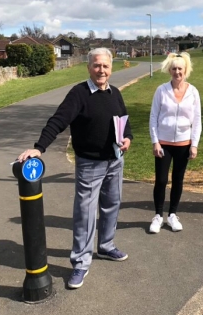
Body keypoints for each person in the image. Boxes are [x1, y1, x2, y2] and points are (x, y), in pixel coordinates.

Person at [17, 47, 133, 289]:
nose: (101, 70)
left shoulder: (115, 93)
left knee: (112, 205)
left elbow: (124, 119)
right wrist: (39, 147)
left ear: (111, 68)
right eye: (97, 65)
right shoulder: (79, 94)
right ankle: (81, 262)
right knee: (85, 214)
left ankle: (106, 246)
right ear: (89, 67)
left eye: (105, 66)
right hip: (90, 164)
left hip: (115, 160)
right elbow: (59, 119)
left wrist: (128, 138)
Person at [149, 52, 202, 233]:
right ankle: (158, 216)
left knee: (178, 180)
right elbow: (154, 117)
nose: (177, 72)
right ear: (169, 70)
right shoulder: (161, 90)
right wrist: (155, 142)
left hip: (183, 143)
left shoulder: (193, 92)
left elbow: (197, 120)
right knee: (161, 180)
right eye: (174, 69)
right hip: (163, 143)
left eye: (180, 69)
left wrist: (194, 144)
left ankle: (172, 215)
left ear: (185, 70)